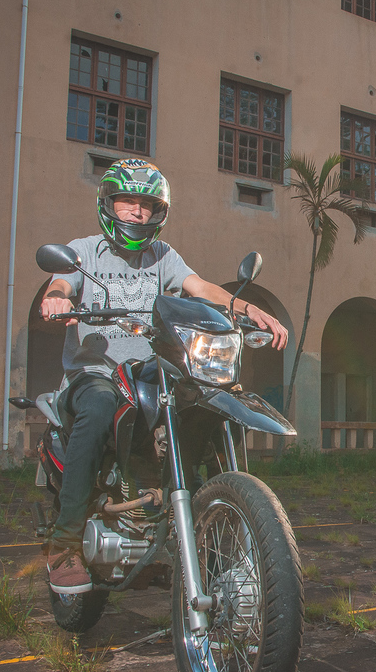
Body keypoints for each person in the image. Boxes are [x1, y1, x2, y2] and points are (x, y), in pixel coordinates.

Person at [40, 158, 287, 594]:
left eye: (147, 205)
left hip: (149, 372)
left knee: (202, 398)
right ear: (108, 204)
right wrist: (58, 299)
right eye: (128, 202)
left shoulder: (163, 256)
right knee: (98, 405)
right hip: (96, 373)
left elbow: (201, 288)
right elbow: (59, 286)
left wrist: (250, 310)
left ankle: (210, 528)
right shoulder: (82, 251)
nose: (137, 212)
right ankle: (64, 544)